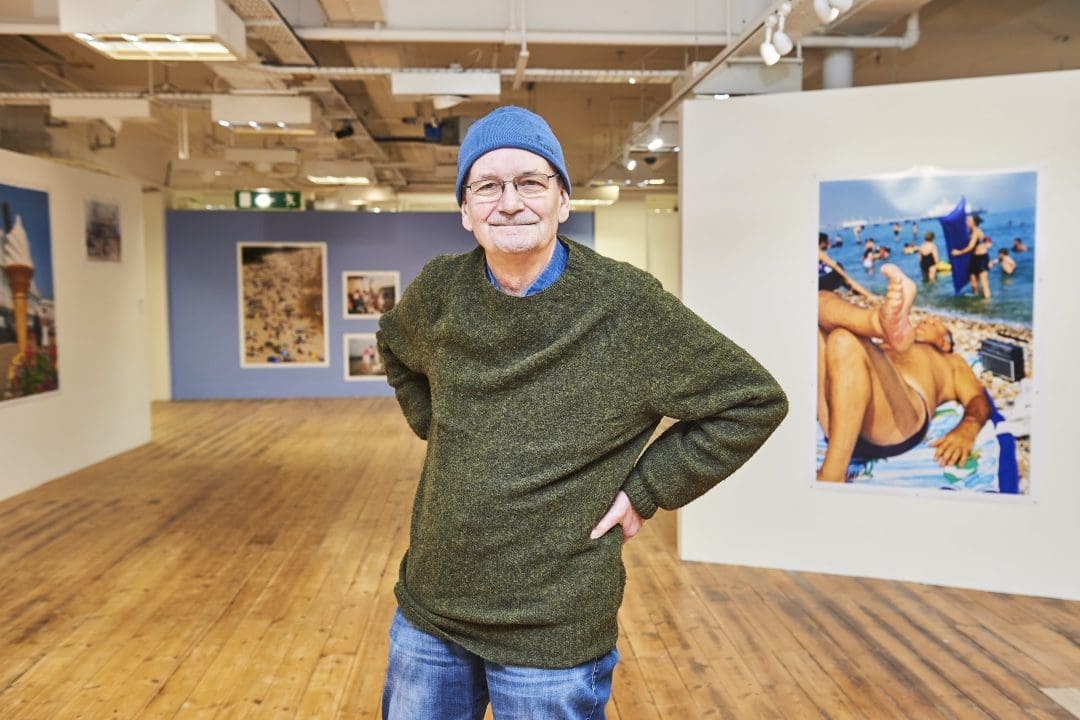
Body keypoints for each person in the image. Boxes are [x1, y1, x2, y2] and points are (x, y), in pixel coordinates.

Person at [376, 105, 788, 720]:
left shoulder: (626, 306)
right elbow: (395, 345)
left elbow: (752, 400)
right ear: (465, 210)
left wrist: (647, 489)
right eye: (487, 186)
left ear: (563, 200)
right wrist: (441, 429)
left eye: (530, 182)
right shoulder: (439, 290)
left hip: (554, 628)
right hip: (431, 612)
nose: (509, 203)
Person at [816, 263, 991, 482]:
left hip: (897, 422)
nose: (926, 320)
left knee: (843, 341)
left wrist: (967, 428)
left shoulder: (950, 361)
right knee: (819, 302)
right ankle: (876, 323)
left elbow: (978, 398)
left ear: (945, 343)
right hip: (839, 418)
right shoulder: (890, 344)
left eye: (935, 324)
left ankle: (832, 473)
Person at [818, 232, 874, 298]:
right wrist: (846, 278)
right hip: (820, 285)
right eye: (827, 242)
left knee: (839, 273)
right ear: (822, 243)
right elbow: (835, 266)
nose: (828, 244)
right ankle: (868, 295)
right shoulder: (819, 252)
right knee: (839, 267)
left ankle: (862, 293)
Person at [952, 213, 991, 299]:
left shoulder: (976, 232)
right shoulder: (970, 232)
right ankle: (976, 299)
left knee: (984, 283)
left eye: (969, 220)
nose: (966, 222)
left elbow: (970, 247)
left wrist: (958, 252)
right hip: (973, 258)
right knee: (973, 283)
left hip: (981, 258)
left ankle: (987, 302)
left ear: (974, 222)